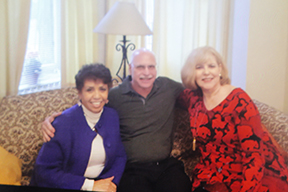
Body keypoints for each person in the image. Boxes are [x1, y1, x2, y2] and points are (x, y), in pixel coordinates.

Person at [41, 48, 192, 192]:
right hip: (133, 170)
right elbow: (84, 109)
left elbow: (197, 95)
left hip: (165, 166)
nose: (146, 72)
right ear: (130, 68)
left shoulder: (168, 88)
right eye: (140, 67)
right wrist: (52, 120)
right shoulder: (114, 96)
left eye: (151, 67)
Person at [179, 46, 288, 192]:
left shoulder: (239, 101)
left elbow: (253, 156)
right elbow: (172, 93)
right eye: (199, 67)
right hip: (210, 176)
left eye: (211, 66)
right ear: (192, 73)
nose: (206, 72)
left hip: (244, 175)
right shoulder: (193, 99)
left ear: (220, 69)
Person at [30, 64, 127, 192]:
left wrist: (111, 183)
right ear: (79, 93)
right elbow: (43, 171)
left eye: (102, 89)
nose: (97, 96)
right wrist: (91, 186)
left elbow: (120, 156)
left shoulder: (112, 116)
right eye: (90, 90)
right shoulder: (62, 124)